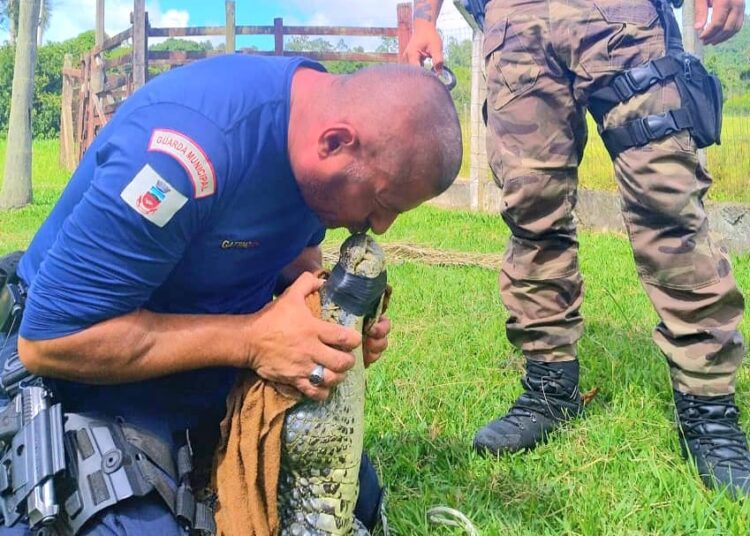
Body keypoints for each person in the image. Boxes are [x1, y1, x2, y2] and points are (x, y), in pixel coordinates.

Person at [0, 55, 462, 534]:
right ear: (334, 143)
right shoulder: (182, 155)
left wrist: (323, 332)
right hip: (86, 368)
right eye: (382, 203)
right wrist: (252, 341)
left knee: (355, 503)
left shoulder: (315, 147)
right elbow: (49, 343)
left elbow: (293, 257)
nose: (380, 226)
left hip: (198, 356)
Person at [405, 0, 750, 496]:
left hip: (621, 17)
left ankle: (708, 406)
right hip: (515, 25)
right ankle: (550, 387)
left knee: (668, 204)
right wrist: (423, 17)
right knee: (531, 215)